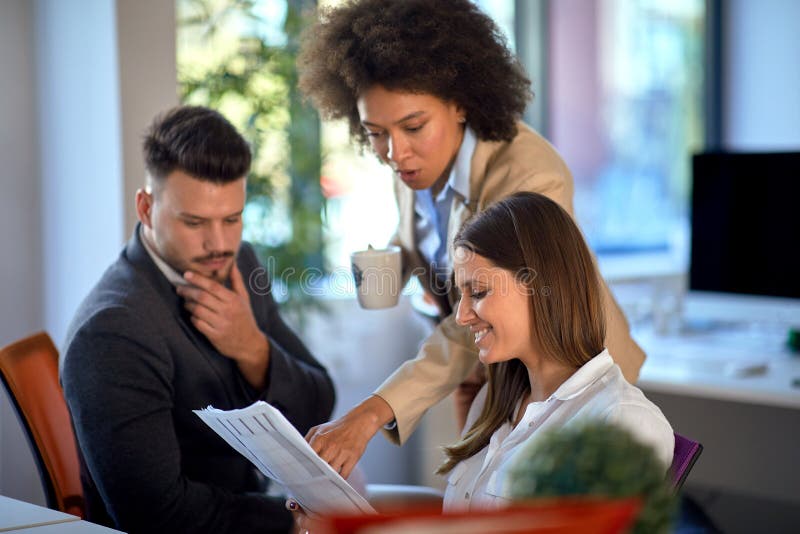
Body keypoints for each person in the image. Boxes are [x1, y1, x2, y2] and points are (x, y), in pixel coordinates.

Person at [297, 0, 645, 478]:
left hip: (567, 380)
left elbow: (495, 298)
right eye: (376, 133)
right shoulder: (414, 165)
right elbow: (420, 235)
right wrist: (388, 265)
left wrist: (372, 411)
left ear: (459, 102)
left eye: (413, 127)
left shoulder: (528, 174)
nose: (395, 153)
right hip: (496, 372)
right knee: (471, 500)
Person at [60, 106, 336, 534]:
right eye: (194, 222)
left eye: (232, 219)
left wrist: (252, 349)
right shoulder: (111, 333)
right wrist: (296, 525)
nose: (219, 244)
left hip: (266, 505)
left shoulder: (239, 263)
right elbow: (158, 516)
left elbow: (319, 403)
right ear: (147, 208)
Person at [439, 192, 673, 511]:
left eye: (478, 292)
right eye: (460, 294)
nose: (462, 315)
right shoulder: (491, 403)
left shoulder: (621, 421)